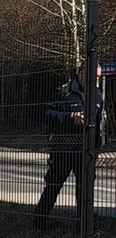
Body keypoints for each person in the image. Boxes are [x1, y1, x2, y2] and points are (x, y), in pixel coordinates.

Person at [36, 62, 106, 215]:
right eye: (92, 77)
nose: (95, 80)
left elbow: (100, 122)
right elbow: (48, 116)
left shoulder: (98, 95)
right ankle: (39, 221)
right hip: (63, 150)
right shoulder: (64, 92)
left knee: (85, 189)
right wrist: (70, 117)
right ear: (81, 73)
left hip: (86, 151)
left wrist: (97, 146)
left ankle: (83, 227)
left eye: (98, 78)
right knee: (53, 185)